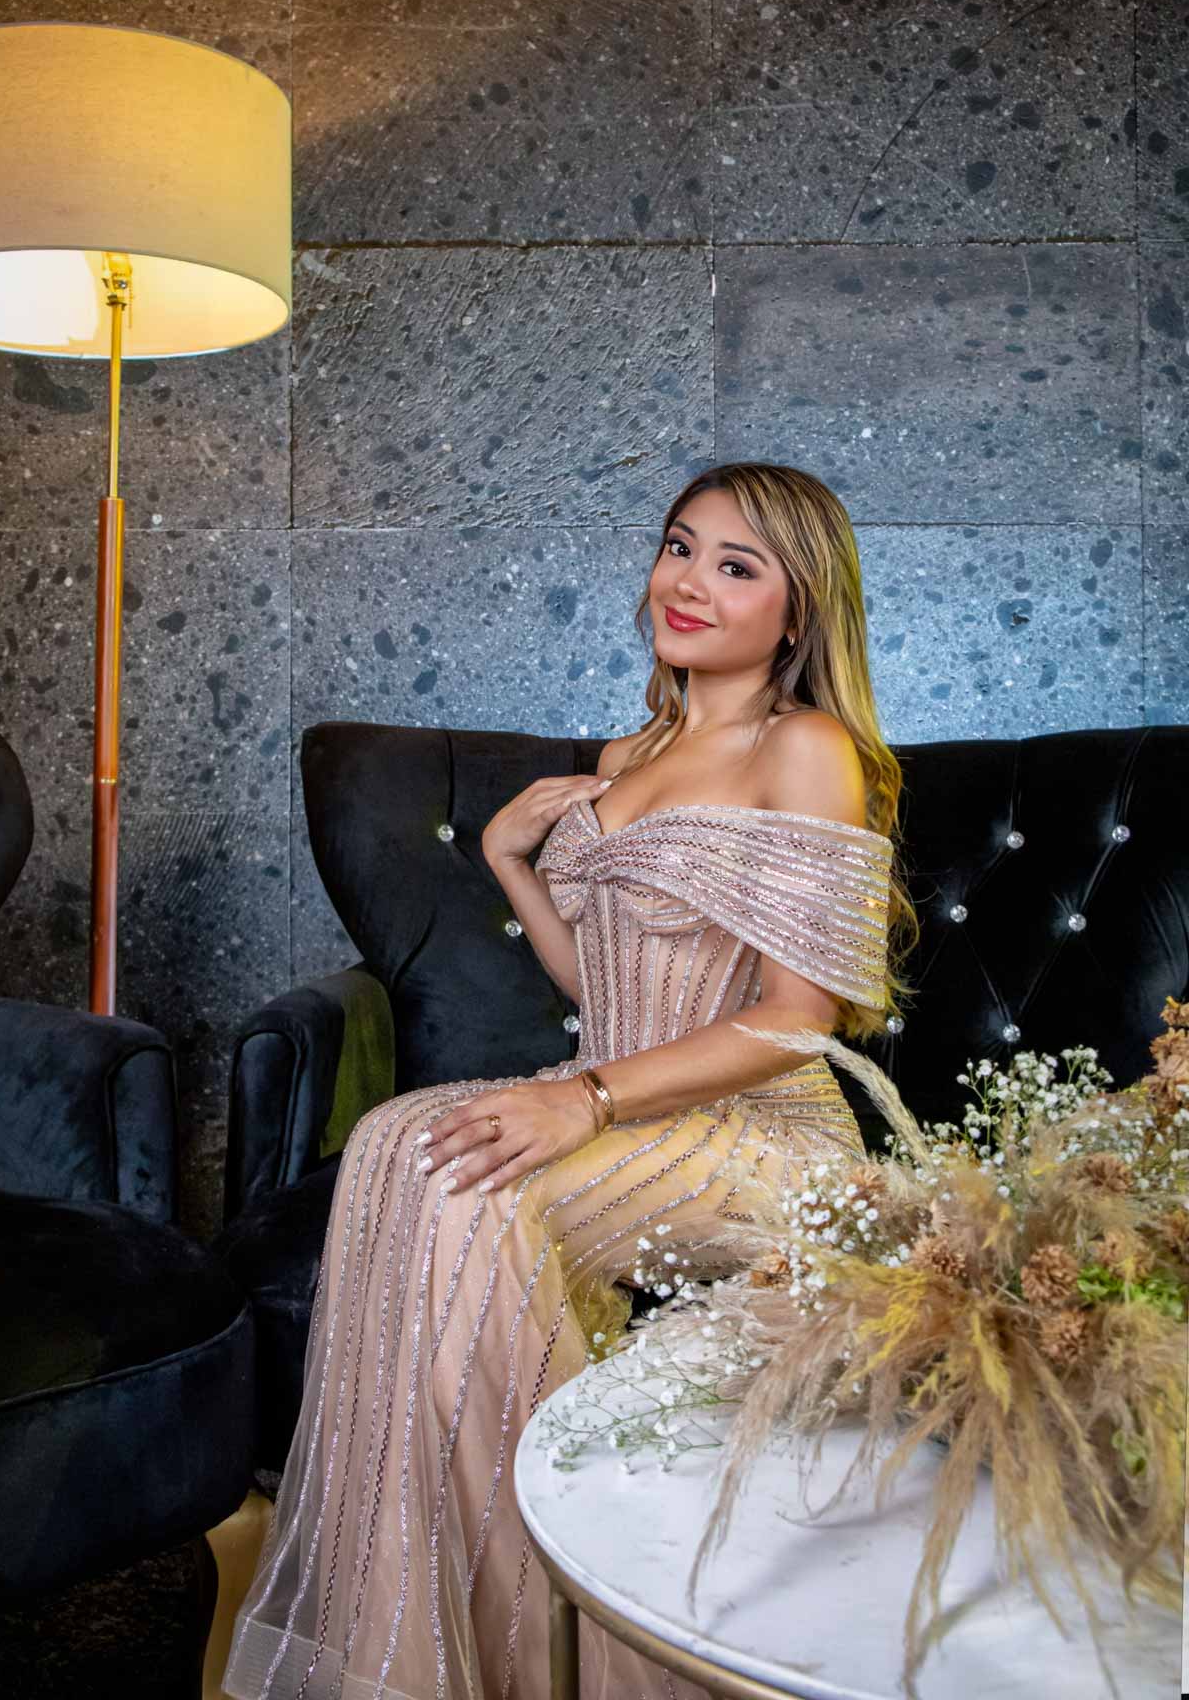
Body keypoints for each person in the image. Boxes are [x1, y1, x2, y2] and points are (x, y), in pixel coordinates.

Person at [222, 462, 916, 1700]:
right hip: (626, 1101)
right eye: (678, 546)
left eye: (735, 566)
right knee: (398, 1142)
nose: (687, 582)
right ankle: (443, 1646)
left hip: (763, 1132)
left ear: (795, 613)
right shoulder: (629, 750)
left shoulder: (803, 748)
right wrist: (509, 863)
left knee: (470, 1186)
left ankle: (554, 1659)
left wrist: (582, 1099)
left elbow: (796, 1021)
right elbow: (601, 988)